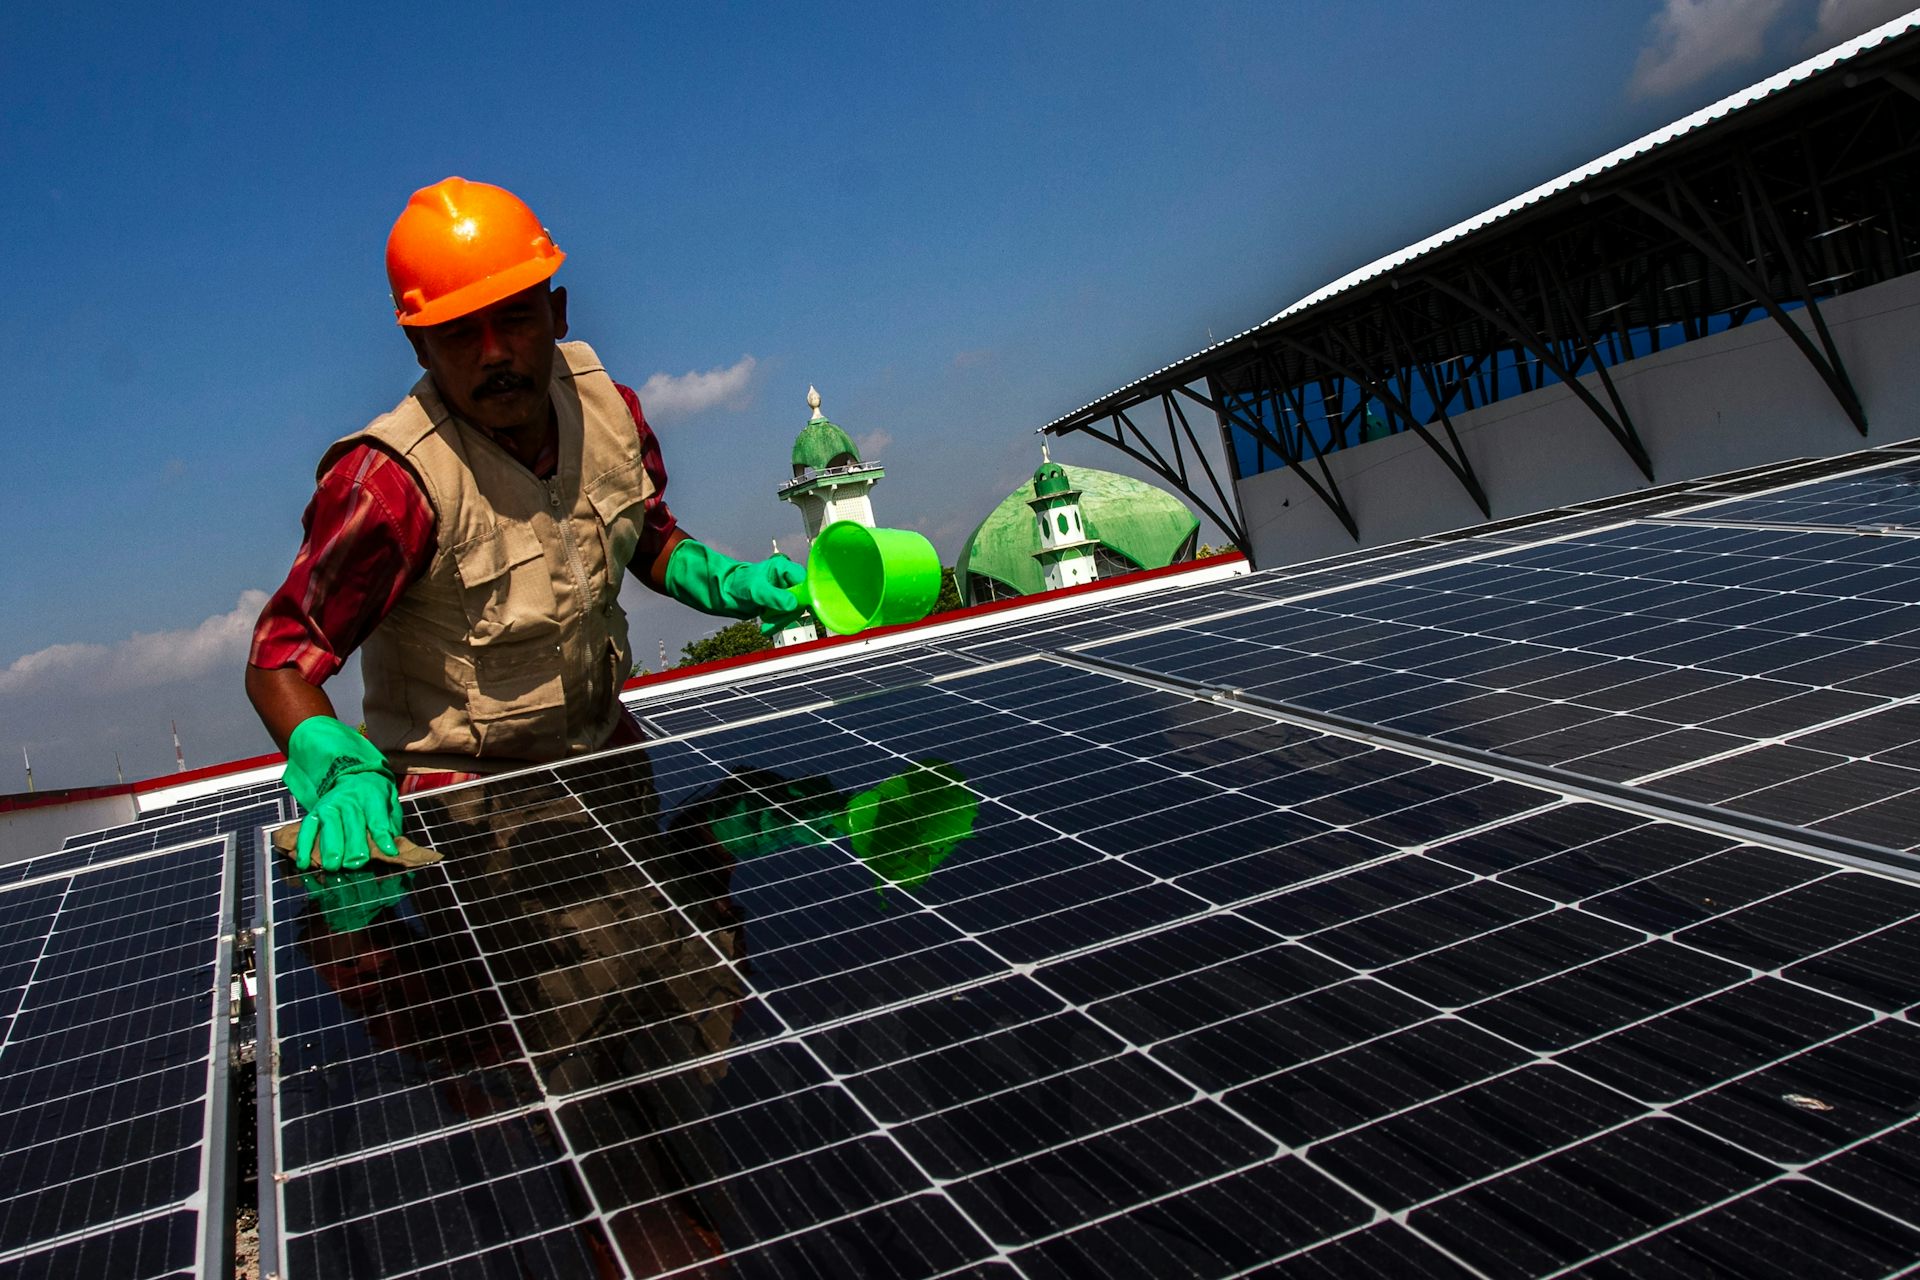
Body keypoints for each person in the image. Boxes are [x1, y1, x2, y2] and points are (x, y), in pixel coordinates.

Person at [247, 177, 805, 873]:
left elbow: (648, 536)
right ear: (420, 347)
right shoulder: (390, 485)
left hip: (609, 758)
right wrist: (331, 763)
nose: (494, 354)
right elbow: (281, 660)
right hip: (472, 813)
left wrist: (728, 580)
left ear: (557, 311)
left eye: (514, 319)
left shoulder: (609, 411)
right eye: (458, 334)